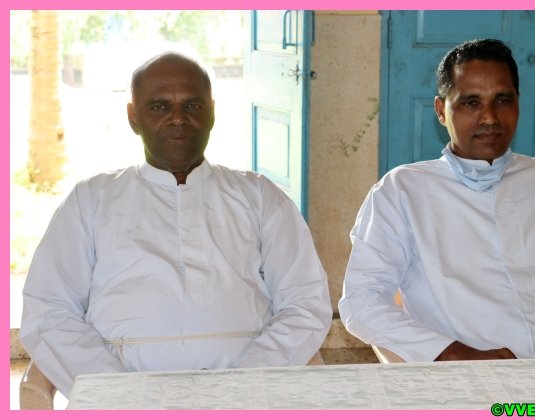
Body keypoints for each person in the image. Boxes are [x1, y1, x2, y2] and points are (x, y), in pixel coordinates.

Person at [20, 52, 332, 397]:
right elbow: (49, 309)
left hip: (248, 393)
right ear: (133, 116)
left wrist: (243, 385)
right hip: (121, 398)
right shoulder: (91, 200)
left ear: (212, 112)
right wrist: (119, 392)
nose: (178, 118)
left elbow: (305, 304)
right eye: (159, 107)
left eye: (193, 106)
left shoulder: (259, 196)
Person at [338, 39, 535, 362]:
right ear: (441, 111)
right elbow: (361, 301)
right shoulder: (403, 191)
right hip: (462, 377)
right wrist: (453, 355)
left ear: (518, 104)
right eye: (470, 102)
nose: (490, 118)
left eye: (502, 100)